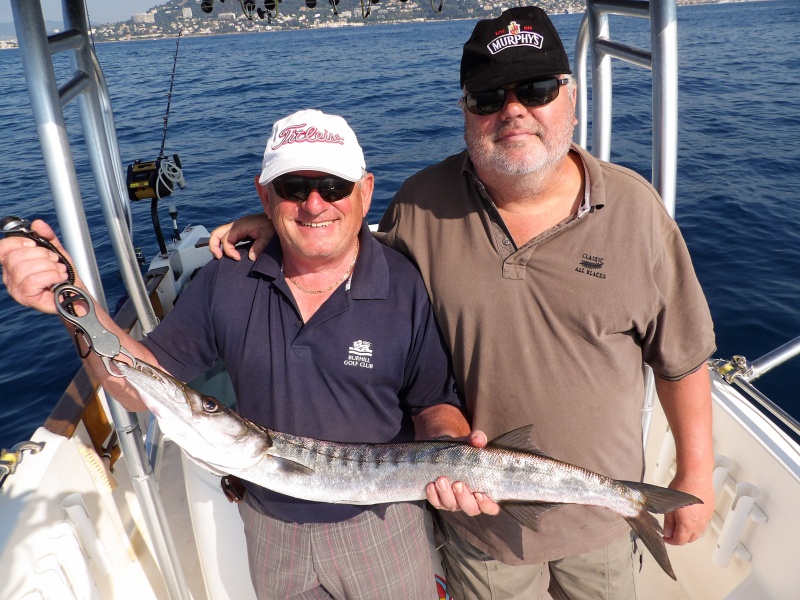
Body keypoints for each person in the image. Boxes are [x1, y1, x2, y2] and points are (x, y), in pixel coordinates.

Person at [208, 7, 717, 600]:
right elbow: (352, 260)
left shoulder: (636, 210)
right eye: (487, 97)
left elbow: (682, 355)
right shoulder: (423, 205)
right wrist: (279, 221)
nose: (513, 110)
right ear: (465, 112)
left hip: (598, 517)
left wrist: (696, 474)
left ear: (571, 98)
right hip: (478, 526)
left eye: (536, 88)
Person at [0, 109, 473, 600]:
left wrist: (451, 459)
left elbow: (433, 404)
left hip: (382, 523)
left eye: (333, 185)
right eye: (293, 186)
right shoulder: (225, 280)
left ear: (366, 191)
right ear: (265, 195)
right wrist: (76, 306)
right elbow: (136, 388)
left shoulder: (405, 284)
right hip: (268, 529)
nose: (315, 204)